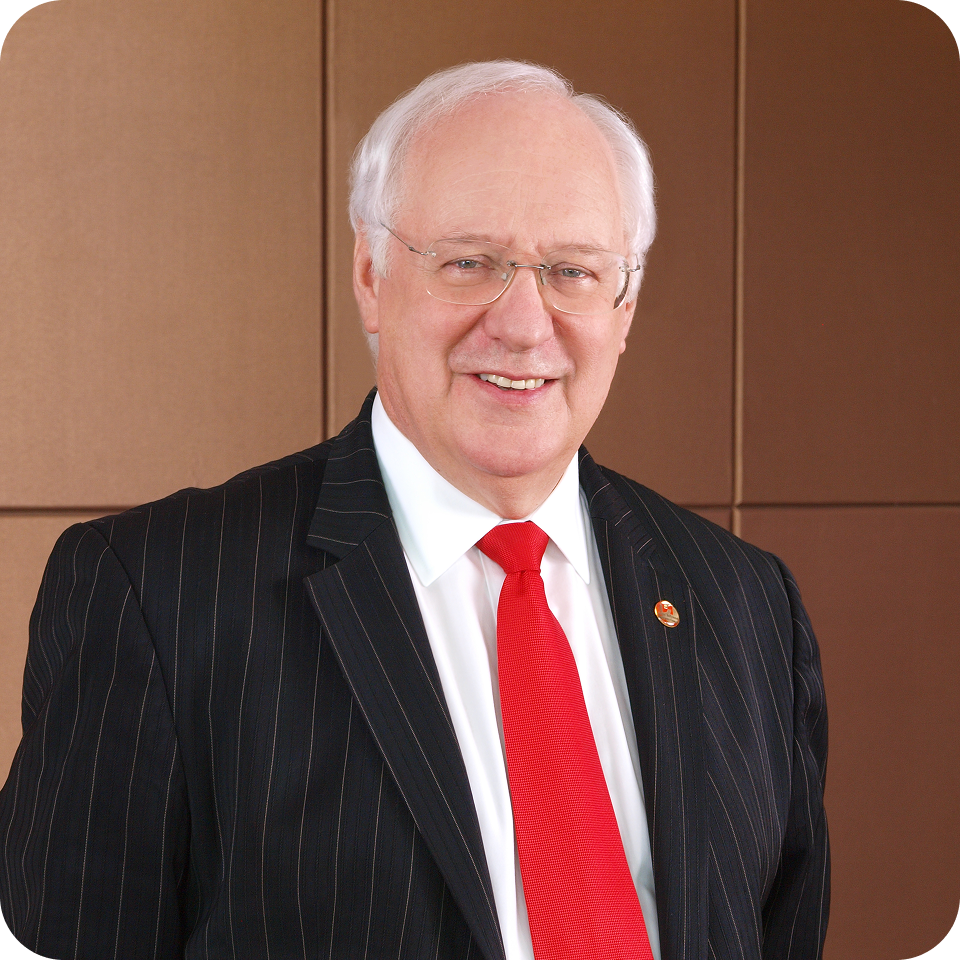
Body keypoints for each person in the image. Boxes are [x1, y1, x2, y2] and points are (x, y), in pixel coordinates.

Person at [0, 61, 829, 960]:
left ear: (625, 303)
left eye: (573, 272)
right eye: (471, 263)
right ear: (370, 274)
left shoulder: (747, 606)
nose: (523, 322)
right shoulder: (158, 596)